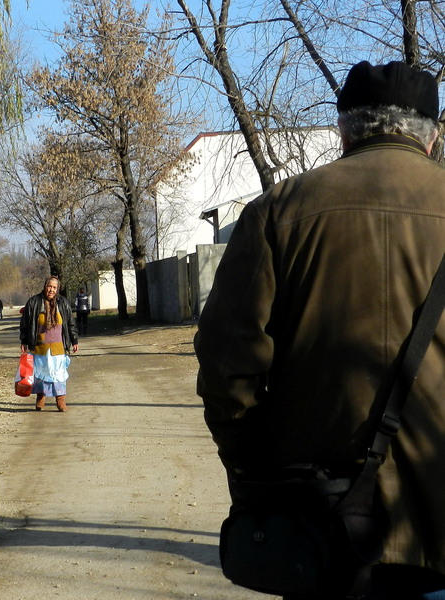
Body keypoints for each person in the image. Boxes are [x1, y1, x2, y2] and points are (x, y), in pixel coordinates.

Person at [195, 61, 445, 599]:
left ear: (344, 131)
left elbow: (226, 363)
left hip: (317, 523)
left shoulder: (277, 212)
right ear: (433, 137)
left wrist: (253, 464)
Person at [20, 276, 78, 412]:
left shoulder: (63, 303)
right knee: (40, 374)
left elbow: (70, 323)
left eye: (54, 287)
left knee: (59, 374)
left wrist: (74, 340)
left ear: (57, 289)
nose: (51, 290)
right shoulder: (34, 302)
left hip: (58, 347)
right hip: (40, 347)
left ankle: (60, 400)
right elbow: (25, 324)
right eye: (49, 286)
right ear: (45, 287)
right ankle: (40, 397)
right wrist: (24, 340)